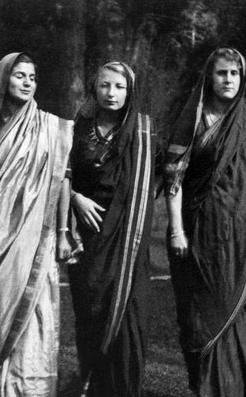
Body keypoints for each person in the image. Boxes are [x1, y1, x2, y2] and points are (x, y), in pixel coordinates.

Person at [163, 47, 246, 397]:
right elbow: (173, 180)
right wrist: (176, 230)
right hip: (203, 235)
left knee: (242, 313)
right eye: (221, 73)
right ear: (209, 78)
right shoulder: (196, 119)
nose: (228, 79)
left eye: (234, 73)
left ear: (242, 78)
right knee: (205, 318)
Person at [0, 52, 73, 396]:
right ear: (3, 79)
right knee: (3, 320)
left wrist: (63, 232)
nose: (27, 82)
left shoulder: (49, 127)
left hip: (35, 239)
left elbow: (61, 179)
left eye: (32, 77)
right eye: (19, 76)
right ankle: (5, 383)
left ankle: (32, 389)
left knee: (37, 315)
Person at [66, 61, 160, 397]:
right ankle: (90, 384)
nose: (111, 93)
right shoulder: (78, 129)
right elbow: (61, 174)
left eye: (119, 87)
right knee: (90, 315)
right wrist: (75, 198)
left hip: (128, 243)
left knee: (129, 319)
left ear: (130, 92)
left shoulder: (144, 135)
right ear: (95, 88)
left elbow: (162, 179)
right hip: (89, 240)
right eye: (105, 85)